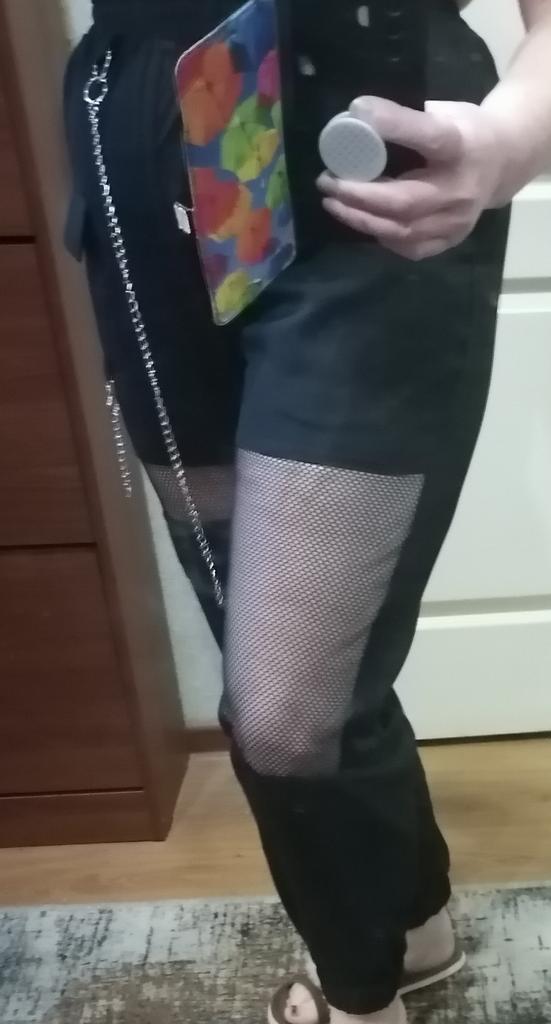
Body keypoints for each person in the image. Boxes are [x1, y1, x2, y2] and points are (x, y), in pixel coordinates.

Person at [63, 2, 551, 1022]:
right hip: (142, 132)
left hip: (365, 146)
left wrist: (509, 140)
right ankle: (411, 923)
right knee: (285, 647)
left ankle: (358, 994)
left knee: (281, 711)